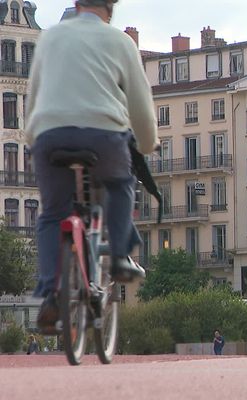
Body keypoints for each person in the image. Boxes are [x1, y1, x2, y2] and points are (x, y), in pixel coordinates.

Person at [26, 0, 158, 334]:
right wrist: (145, 144)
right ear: (110, 8)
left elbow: (33, 98)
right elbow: (141, 108)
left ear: (76, 4)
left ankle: (50, 293)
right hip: (104, 135)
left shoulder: (50, 38)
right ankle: (118, 257)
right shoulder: (121, 42)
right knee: (119, 183)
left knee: (52, 215)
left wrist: (34, 139)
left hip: (50, 134)